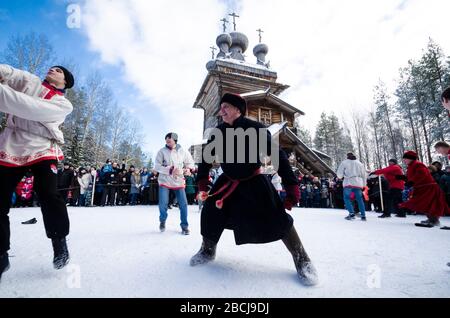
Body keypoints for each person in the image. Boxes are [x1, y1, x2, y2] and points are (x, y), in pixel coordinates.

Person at [190, 93, 318, 286]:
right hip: (226, 183)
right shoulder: (219, 132)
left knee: (277, 217)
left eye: (225, 106)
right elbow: (206, 158)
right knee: (210, 212)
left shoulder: (256, 129)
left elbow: (278, 155)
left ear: (237, 109)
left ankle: (302, 259)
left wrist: (291, 185)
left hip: (254, 181)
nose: (221, 110)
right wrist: (202, 181)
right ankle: (208, 250)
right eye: (221, 106)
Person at [0, 64, 75, 281]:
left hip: (42, 146)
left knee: (48, 194)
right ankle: (0, 254)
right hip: (11, 144)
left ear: (65, 82)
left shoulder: (63, 104)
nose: (53, 70)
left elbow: (29, 107)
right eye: (52, 68)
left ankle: (59, 241)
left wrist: (6, 94)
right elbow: (11, 73)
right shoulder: (30, 81)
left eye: (59, 71)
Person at [155, 133, 195, 235]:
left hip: (178, 181)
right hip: (165, 180)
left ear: (175, 140)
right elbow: (157, 166)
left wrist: (187, 169)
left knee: (183, 204)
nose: (167, 142)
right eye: (166, 140)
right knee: (163, 203)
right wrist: (171, 169)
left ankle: (184, 226)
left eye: (169, 140)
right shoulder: (162, 151)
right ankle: (162, 219)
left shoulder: (183, 151)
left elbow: (190, 163)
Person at [398, 151, 449, 227]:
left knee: (429, 204)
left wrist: (411, 181)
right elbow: (413, 177)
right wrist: (405, 178)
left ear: (411, 158)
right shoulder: (411, 166)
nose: (404, 160)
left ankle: (434, 220)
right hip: (421, 188)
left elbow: (422, 174)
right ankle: (431, 219)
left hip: (428, 188)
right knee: (423, 204)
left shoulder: (418, 164)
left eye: (405, 158)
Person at [336, 153, 367, 221]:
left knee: (347, 198)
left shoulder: (344, 162)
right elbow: (364, 175)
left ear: (347, 156)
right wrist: (364, 185)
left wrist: (341, 176)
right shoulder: (360, 164)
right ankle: (363, 215)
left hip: (348, 182)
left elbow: (339, 174)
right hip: (358, 183)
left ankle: (351, 213)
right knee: (359, 199)